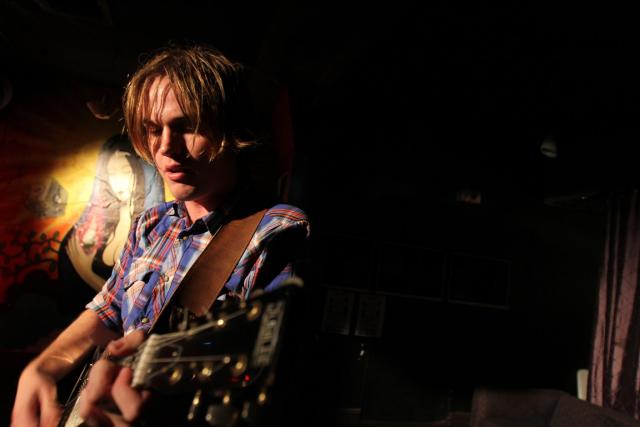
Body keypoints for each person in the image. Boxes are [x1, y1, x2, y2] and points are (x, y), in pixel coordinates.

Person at [10, 45, 310, 427]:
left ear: (231, 128)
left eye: (187, 126)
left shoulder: (277, 230)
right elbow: (109, 307)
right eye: (154, 130)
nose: (166, 147)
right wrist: (43, 367)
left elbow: (277, 378)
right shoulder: (150, 225)